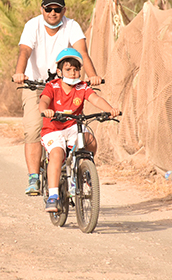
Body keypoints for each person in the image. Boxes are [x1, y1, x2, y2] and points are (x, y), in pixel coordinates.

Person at [12, 0, 102, 196]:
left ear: (64, 11)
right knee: (34, 128)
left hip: (63, 85)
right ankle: (34, 177)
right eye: (49, 9)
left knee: (76, 127)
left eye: (57, 9)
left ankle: (80, 170)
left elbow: (83, 53)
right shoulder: (32, 26)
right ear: (41, 9)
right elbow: (24, 52)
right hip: (35, 85)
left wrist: (93, 76)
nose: (53, 13)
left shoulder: (71, 26)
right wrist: (20, 73)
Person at [38, 48, 119, 212]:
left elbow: (95, 98)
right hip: (53, 129)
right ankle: (53, 196)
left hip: (73, 126)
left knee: (90, 140)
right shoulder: (52, 86)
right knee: (57, 153)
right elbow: (44, 100)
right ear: (59, 71)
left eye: (76, 70)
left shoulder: (82, 87)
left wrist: (110, 110)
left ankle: (85, 170)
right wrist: (45, 110)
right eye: (68, 69)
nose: (73, 73)